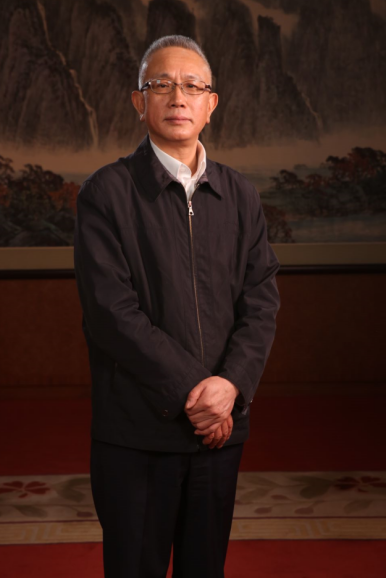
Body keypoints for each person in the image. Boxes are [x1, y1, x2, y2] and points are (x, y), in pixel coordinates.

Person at [73, 34, 281, 578]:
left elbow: (261, 301)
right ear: (139, 101)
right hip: (137, 432)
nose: (178, 97)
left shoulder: (241, 195)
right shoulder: (106, 193)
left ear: (212, 103)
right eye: (161, 84)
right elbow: (111, 313)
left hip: (220, 432)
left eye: (192, 86)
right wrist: (199, 393)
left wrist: (230, 387)